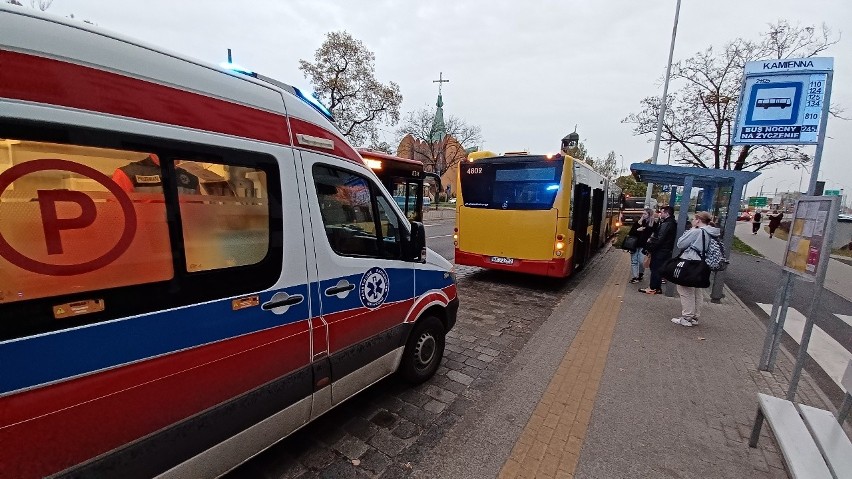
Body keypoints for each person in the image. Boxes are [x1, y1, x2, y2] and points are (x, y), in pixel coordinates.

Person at [671, 211, 720, 327]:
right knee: (697, 291)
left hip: (690, 263)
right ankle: (694, 317)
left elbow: (680, 244)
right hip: (702, 264)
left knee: (685, 289)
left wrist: (692, 229)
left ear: (698, 220)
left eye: (694, 219)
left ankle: (686, 317)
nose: (693, 220)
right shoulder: (711, 232)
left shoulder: (697, 232)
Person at [112, 154, 200, 194]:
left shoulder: (191, 176)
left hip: (188, 230)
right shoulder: (128, 174)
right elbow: (116, 216)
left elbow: (199, 214)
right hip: (147, 230)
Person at [640, 205, 676, 295]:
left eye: (662, 212)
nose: (660, 214)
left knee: (655, 268)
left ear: (667, 213)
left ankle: (654, 287)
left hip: (661, 250)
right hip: (666, 250)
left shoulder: (666, 224)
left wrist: (650, 247)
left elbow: (659, 238)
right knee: (658, 268)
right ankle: (656, 288)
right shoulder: (672, 223)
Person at [626, 207, 655, 284]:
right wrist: (637, 230)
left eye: (645, 214)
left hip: (644, 246)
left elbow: (655, 234)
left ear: (649, 215)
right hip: (634, 245)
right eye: (643, 213)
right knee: (634, 261)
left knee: (641, 261)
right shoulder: (638, 223)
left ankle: (640, 274)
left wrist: (650, 239)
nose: (643, 215)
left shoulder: (652, 224)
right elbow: (631, 233)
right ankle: (635, 276)